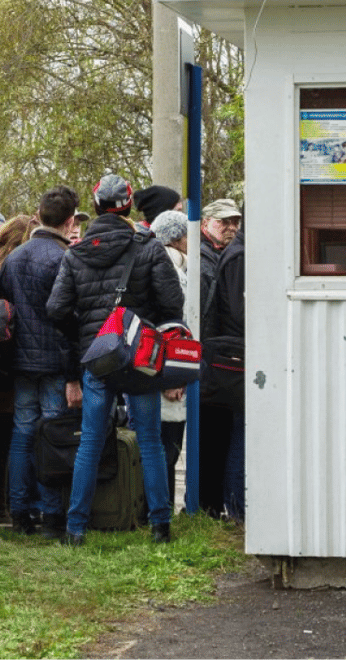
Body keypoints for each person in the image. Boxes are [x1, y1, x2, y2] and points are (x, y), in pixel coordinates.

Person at [47, 174, 185, 546]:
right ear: (128, 206)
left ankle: (76, 529)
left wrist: (87, 334)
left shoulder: (75, 253)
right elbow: (173, 303)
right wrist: (145, 324)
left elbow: (56, 308)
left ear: (93, 207)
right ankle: (160, 526)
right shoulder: (148, 247)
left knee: (90, 441)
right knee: (151, 440)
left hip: (98, 357)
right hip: (139, 358)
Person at [0, 188, 81, 540]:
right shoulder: (64, 259)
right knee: (51, 437)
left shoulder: (14, 258)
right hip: (55, 364)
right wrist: (74, 375)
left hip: (21, 363)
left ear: (38, 215)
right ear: (70, 221)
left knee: (23, 434)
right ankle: (51, 514)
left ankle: (20, 513)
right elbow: (70, 322)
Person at [0, 213, 34, 525]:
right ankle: (6, 507)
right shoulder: (10, 270)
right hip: (10, 363)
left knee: (1, 438)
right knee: (11, 438)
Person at [197, 198, 242, 517]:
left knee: (221, 433)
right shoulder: (204, 260)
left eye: (234, 222)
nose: (229, 227)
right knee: (212, 435)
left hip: (219, 357)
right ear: (204, 224)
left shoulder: (218, 256)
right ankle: (207, 505)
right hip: (211, 358)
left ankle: (213, 505)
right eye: (222, 222)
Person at [148, 209, 190, 508]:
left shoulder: (160, 263)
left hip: (158, 368)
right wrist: (172, 376)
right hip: (168, 372)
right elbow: (172, 323)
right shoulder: (172, 271)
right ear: (177, 238)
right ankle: (159, 510)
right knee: (166, 446)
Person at [210, 226, 246, 521]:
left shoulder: (237, 252)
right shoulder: (240, 257)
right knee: (242, 430)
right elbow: (240, 310)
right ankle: (236, 507)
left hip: (239, 352)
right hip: (238, 356)